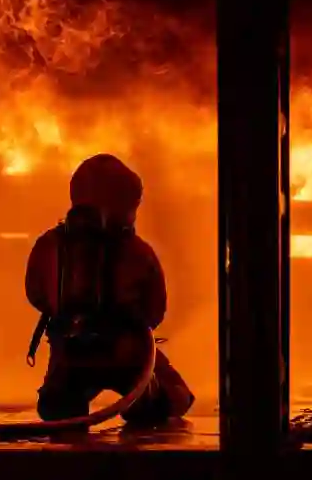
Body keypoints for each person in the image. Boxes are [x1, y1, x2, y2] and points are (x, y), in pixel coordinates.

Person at [25, 154, 194, 429]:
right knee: (176, 396)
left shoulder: (48, 245)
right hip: (126, 355)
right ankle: (145, 400)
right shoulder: (137, 250)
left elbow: (35, 293)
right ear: (123, 205)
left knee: (58, 409)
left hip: (69, 356)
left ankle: (63, 402)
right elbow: (155, 310)